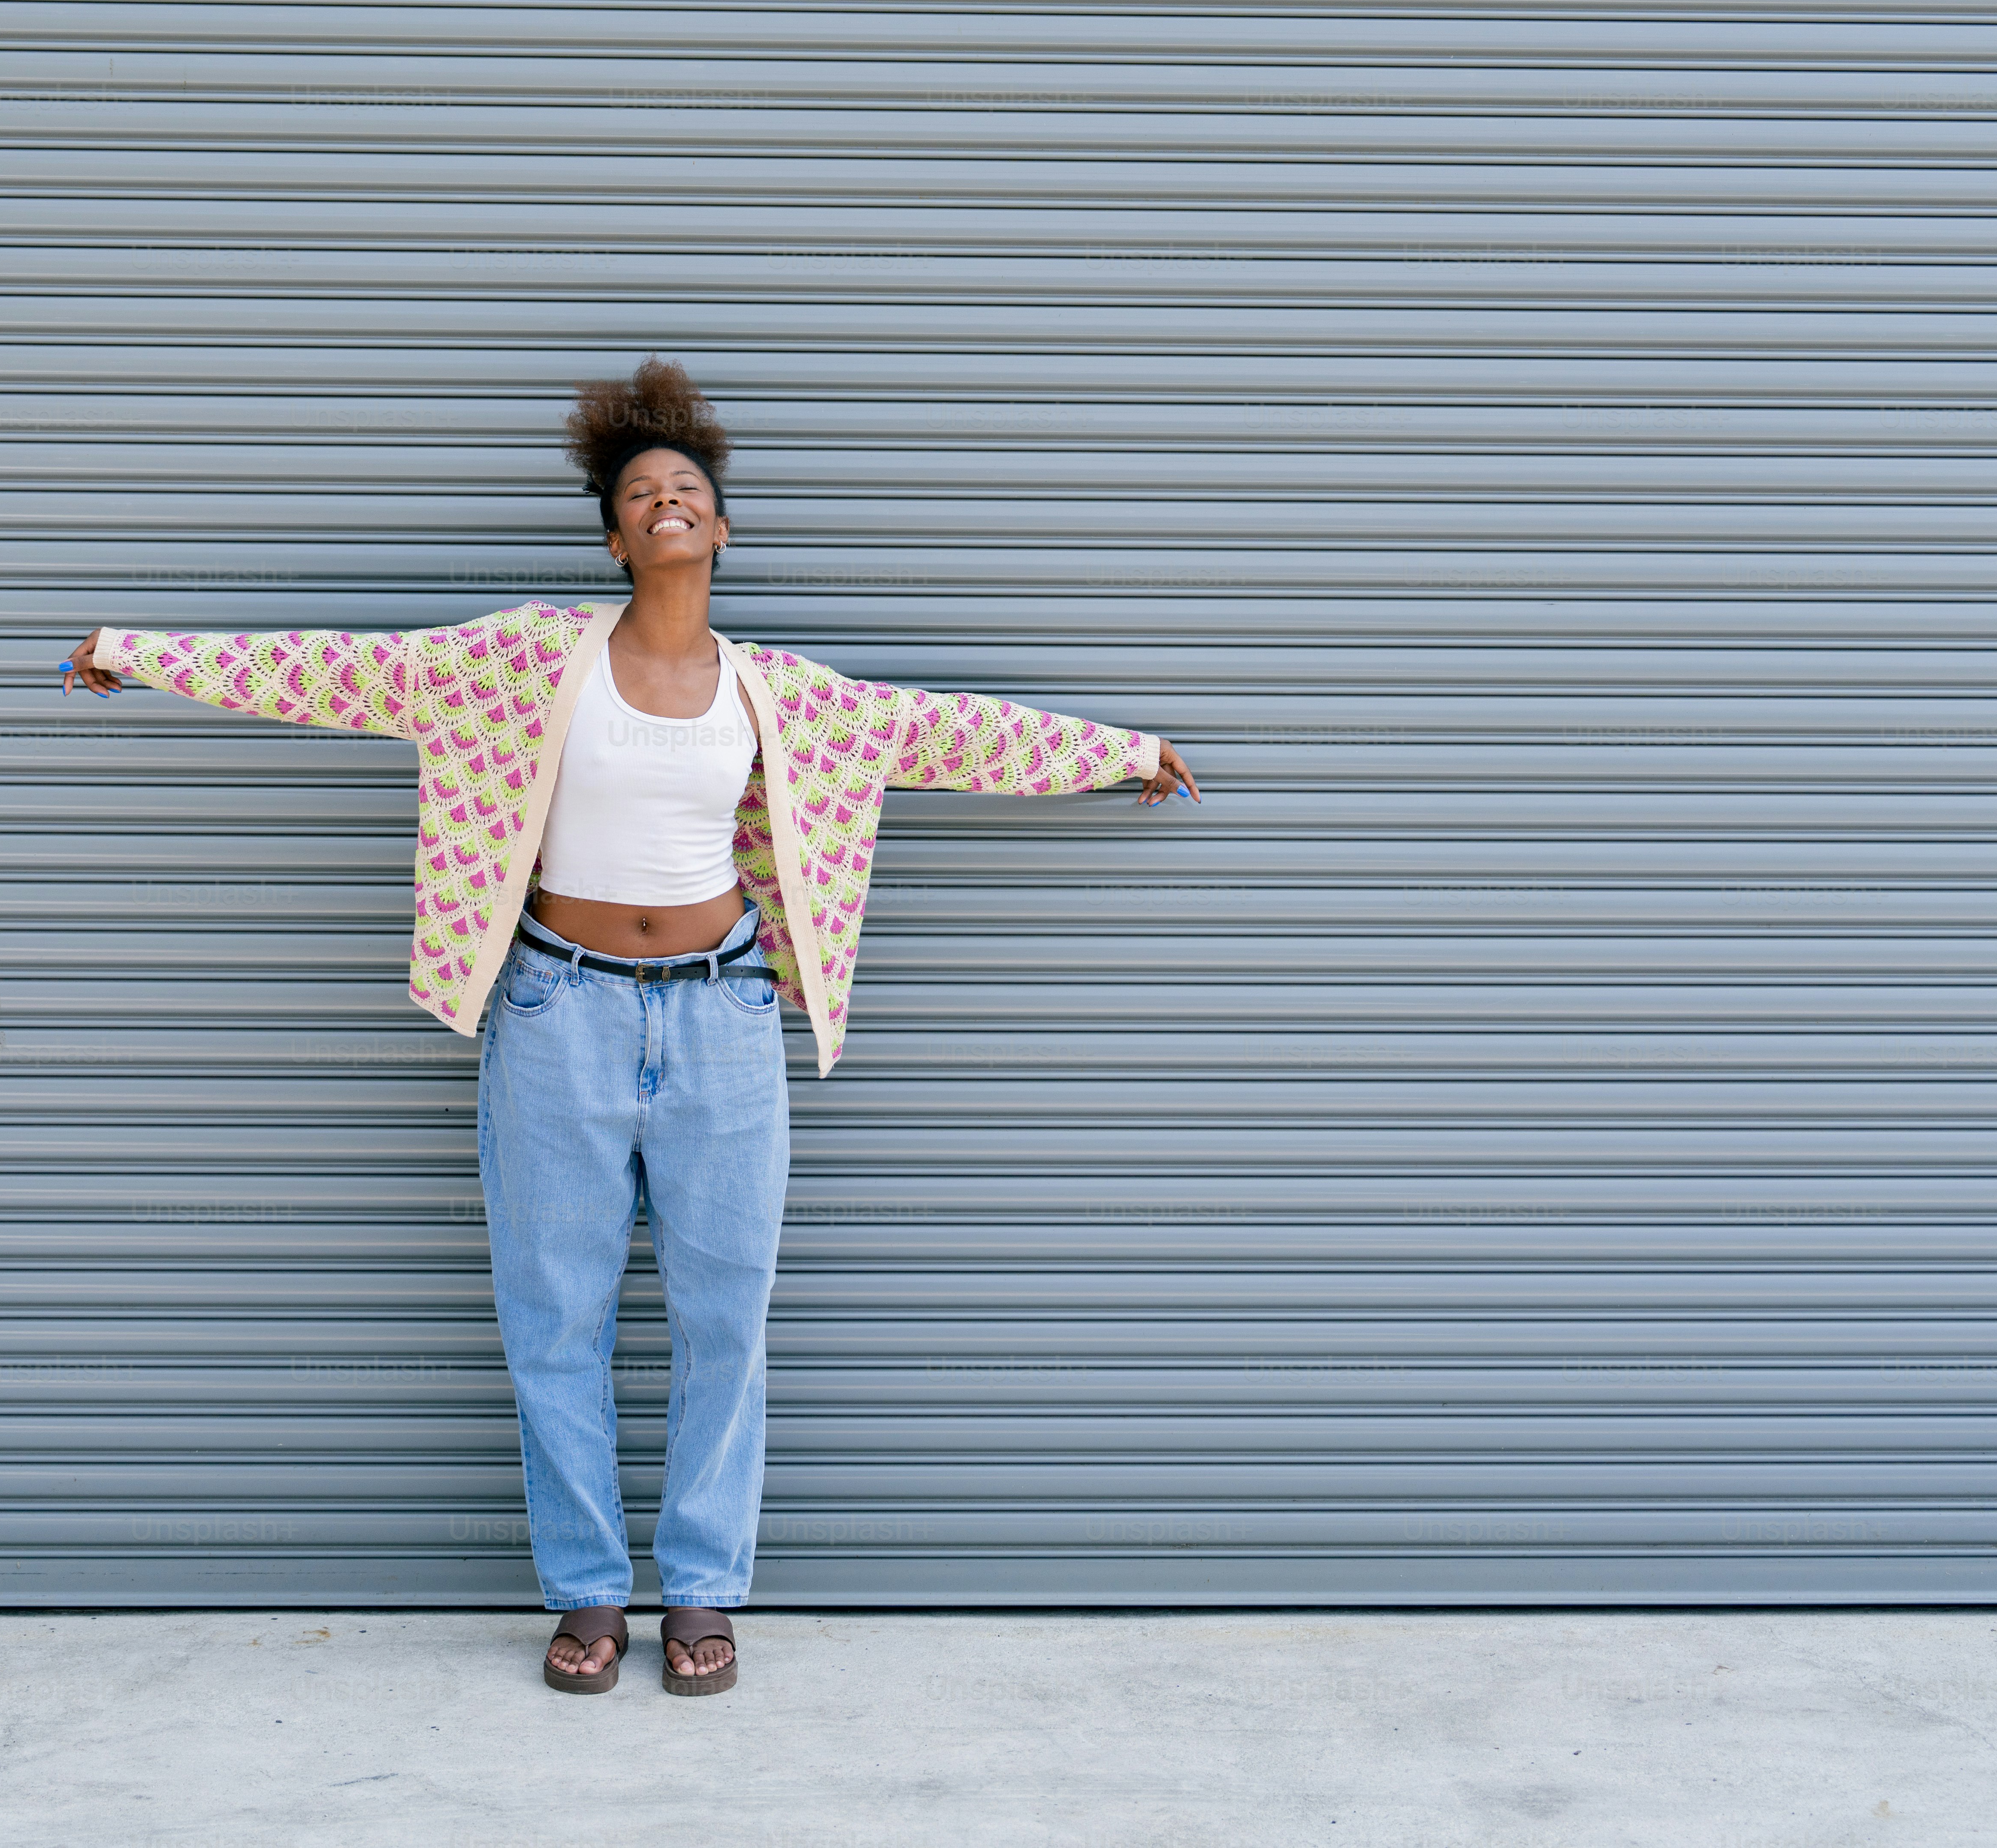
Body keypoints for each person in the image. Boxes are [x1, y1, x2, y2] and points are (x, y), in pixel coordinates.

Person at [62, 357, 1200, 1696]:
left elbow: (945, 731)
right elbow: (338, 670)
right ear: (614, 536)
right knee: (556, 1321)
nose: (667, 502)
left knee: (728, 1320)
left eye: (688, 490)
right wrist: (134, 654)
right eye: (642, 492)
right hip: (555, 1009)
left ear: (719, 529)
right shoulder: (523, 660)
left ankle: (705, 1592)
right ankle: (590, 1595)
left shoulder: (784, 692)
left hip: (722, 1015)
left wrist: (1118, 749)